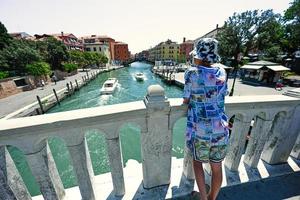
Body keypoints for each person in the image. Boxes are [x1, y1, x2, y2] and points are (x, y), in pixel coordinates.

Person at [183, 38, 229, 200]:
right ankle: (212, 198)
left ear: (199, 56)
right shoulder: (222, 73)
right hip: (221, 130)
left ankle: (203, 198)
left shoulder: (191, 73)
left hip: (200, 131)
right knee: (217, 168)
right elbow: (223, 95)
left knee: (198, 163)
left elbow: (186, 100)